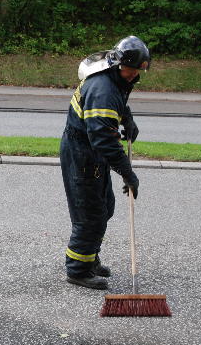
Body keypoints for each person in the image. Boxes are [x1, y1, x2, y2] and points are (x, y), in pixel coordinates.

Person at [60, 35, 150, 290]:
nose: (134, 76)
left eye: (138, 71)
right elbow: (103, 139)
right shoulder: (103, 89)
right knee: (90, 214)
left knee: (105, 207)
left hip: (91, 151)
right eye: (132, 70)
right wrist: (127, 172)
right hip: (83, 153)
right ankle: (78, 270)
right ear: (120, 64)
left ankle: (89, 258)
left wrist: (127, 119)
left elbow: (117, 102)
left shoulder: (115, 77)